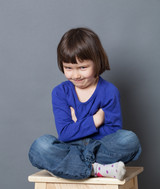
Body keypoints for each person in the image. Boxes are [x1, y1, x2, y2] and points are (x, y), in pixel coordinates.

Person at [28, 27, 141, 180]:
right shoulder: (60, 92)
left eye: (82, 67)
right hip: (70, 148)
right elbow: (65, 134)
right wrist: (95, 120)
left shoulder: (109, 91)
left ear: (97, 62)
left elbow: (113, 132)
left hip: (100, 148)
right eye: (68, 68)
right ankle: (96, 169)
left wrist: (77, 124)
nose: (75, 75)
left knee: (129, 140)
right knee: (40, 146)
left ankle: (69, 167)